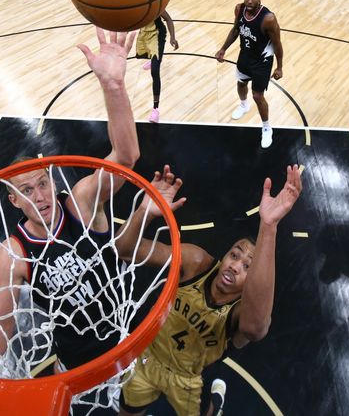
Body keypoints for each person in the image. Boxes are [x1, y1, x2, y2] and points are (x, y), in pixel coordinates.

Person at [0, 28, 140, 371]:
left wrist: (113, 85)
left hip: (125, 333)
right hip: (75, 359)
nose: (40, 196)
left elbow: (126, 156)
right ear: (13, 201)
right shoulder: (14, 253)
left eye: (42, 183)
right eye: (26, 191)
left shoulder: (81, 204)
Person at [117, 163, 302, 416]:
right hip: (148, 359)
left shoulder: (241, 313)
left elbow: (256, 328)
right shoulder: (196, 263)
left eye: (247, 266)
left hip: (192, 380)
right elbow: (124, 250)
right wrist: (145, 211)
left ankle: (216, 401)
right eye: (234, 255)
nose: (235, 266)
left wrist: (268, 226)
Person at [215, 0, 284, 149]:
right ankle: (244, 105)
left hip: (262, 60)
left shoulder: (268, 19)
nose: (250, 0)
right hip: (245, 55)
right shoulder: (239, 9)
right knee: (241, 83)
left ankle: (267, 127)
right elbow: (235, 30)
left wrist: (280, 67)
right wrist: (223, 49)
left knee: (258, 96)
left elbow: (277, 44)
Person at [137, 10, 178, 123]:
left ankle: (155, 110)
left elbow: (168, 19)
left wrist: (172, 37)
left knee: (155, 71)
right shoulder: (136, 5)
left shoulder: (155, 5)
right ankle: (154, 60)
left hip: (158, 35)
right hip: (145, 33)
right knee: (149, 55)